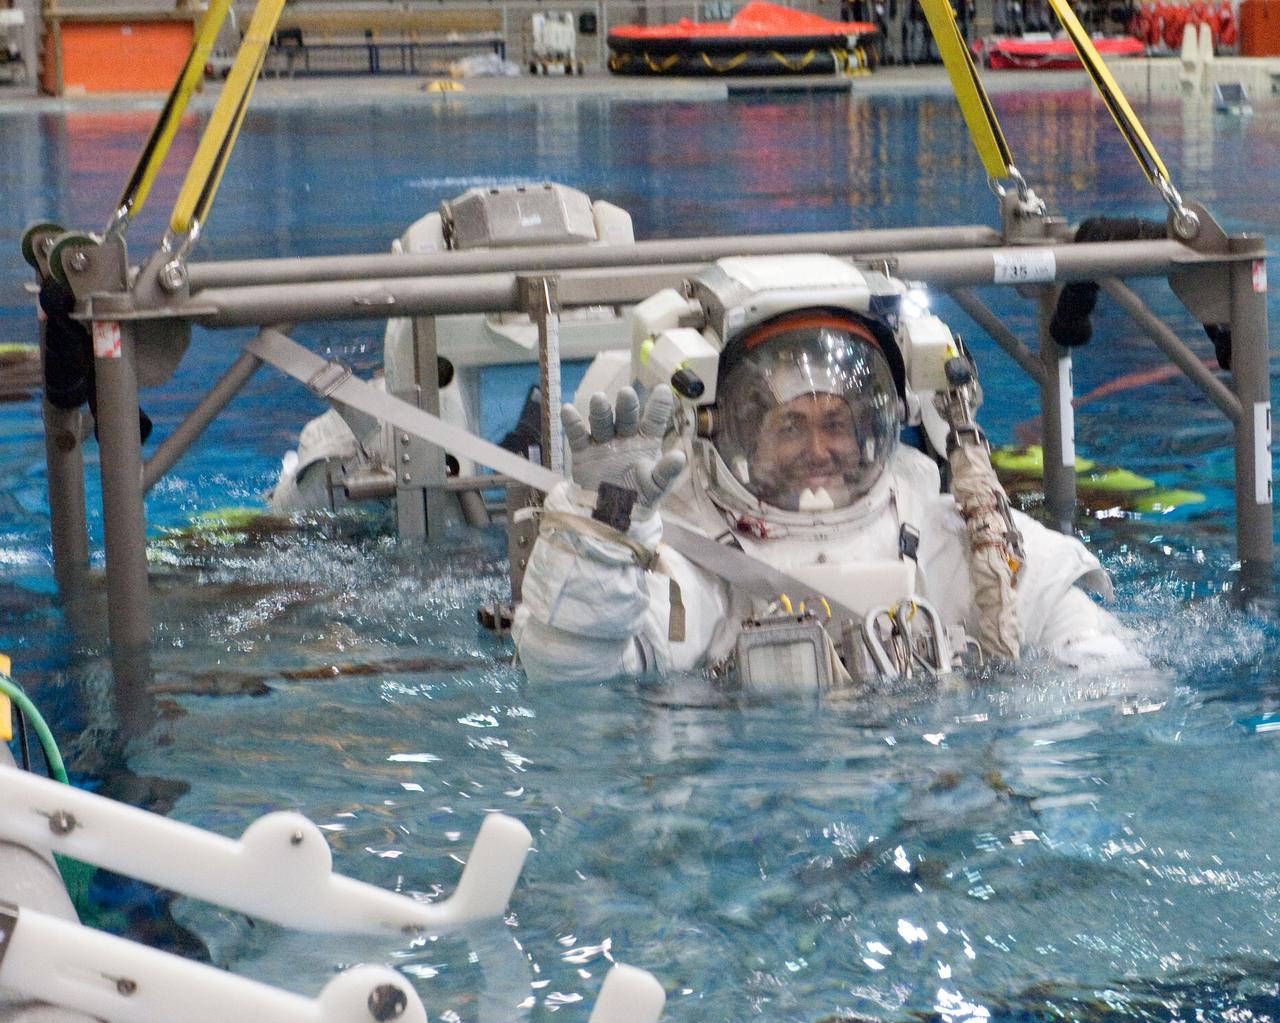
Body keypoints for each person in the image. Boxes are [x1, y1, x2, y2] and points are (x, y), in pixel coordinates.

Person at [512, 257, 1145, 687]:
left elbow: (1104, 669)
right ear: (727, 428)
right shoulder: (693, 562)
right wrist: (605, 532)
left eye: (837, 422)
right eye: (790, 425)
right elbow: (572, 673)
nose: (819, 448)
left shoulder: (953, 539)